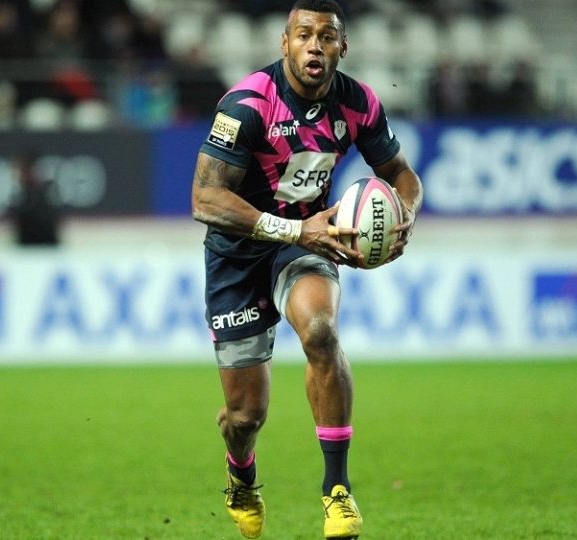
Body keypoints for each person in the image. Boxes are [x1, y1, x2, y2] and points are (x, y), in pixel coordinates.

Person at [190, 1, 423, 538]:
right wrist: (297, 230)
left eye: (327, 36)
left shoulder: (359, 103)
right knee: (245, 418)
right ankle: (241, 474)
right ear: (284, 43)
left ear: (342, 47)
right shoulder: (247, 105)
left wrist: (404, 215)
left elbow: (401, 175)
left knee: (321, 332)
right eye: (304, 35)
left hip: (307, 242)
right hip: (237, 252)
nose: (315, 45)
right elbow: (205, 198)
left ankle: (336, 490)